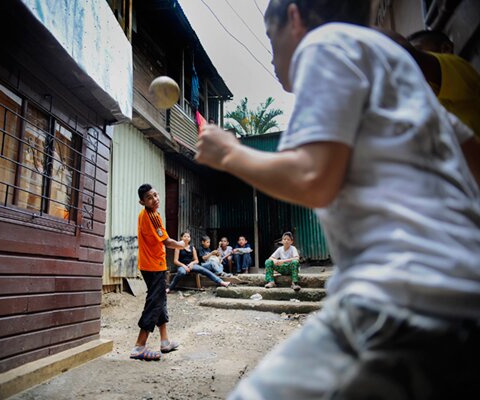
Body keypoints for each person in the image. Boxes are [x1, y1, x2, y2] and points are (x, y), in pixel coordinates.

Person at [195, 0, 480, 398]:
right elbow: (473, 160)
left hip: (401, 299)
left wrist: (229, 154)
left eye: (270, 38)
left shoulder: (324, 43)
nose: (273, 58)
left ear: (294, 17)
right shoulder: (405, 82)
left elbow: (314, 178)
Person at [377, 28, 480, 185]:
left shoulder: (459, 69)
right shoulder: (420, 105)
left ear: (445, 49)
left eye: (419, 49)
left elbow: (407, 56)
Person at [131, 183, 185, 361]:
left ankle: (164, 342)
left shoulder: (148, 214)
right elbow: (167, 242)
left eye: (155, 195)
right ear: (142, 202)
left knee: (160, 300)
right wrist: (182, 244)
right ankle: (139, 346)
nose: (155, 199)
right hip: (154, 265)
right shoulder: (152, 216)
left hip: (150, 264)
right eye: (149, 198)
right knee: (155, 302)